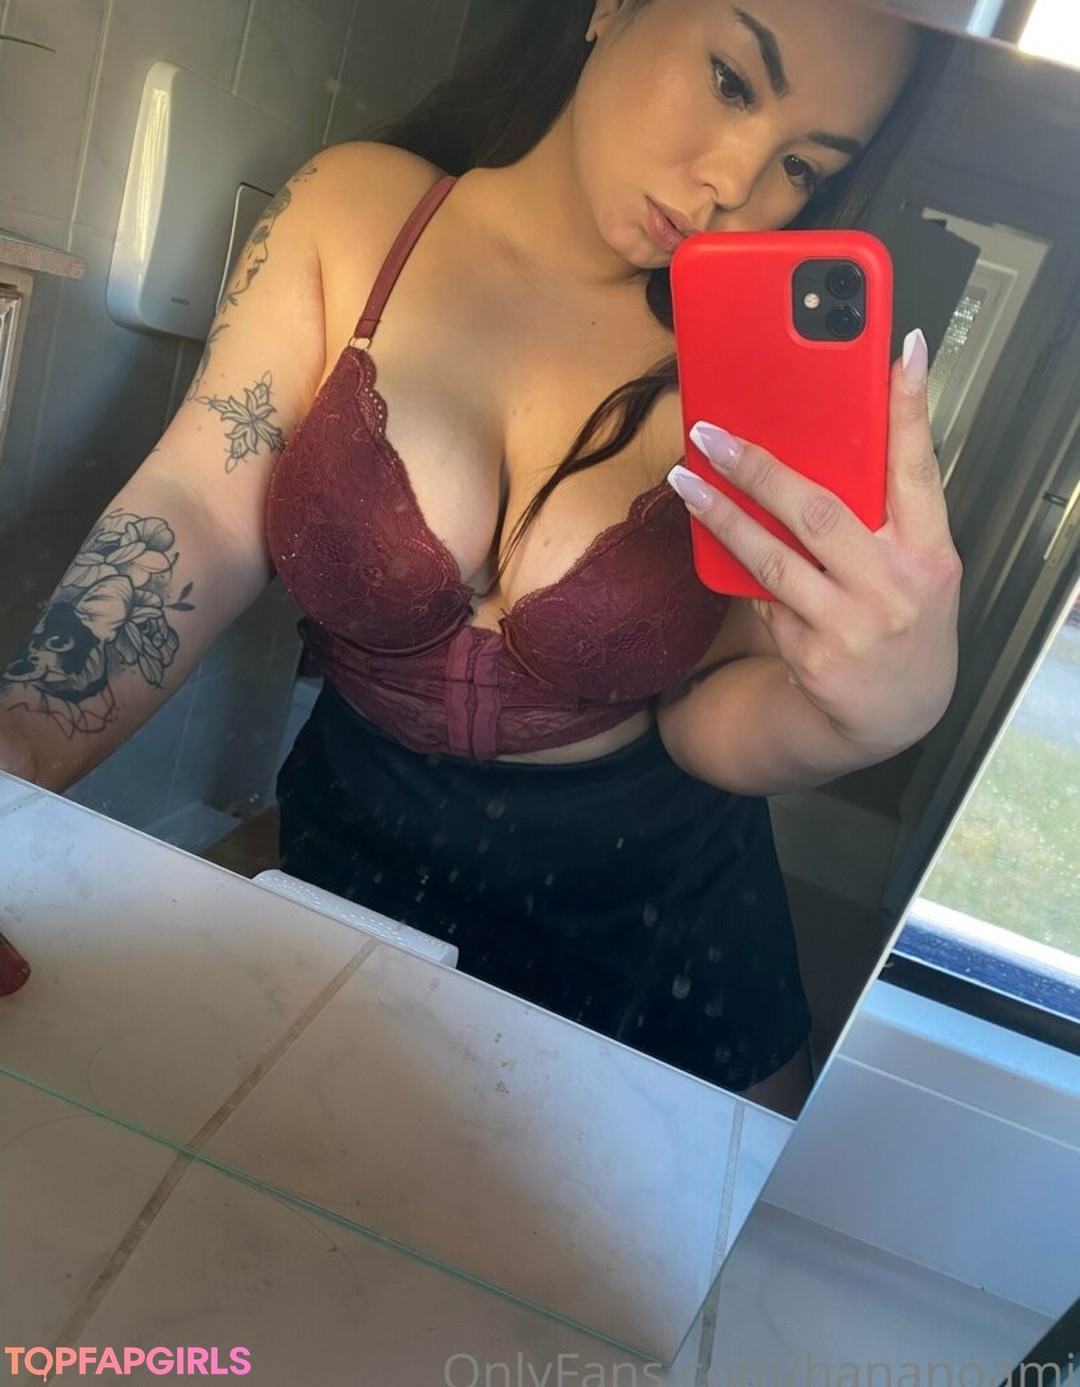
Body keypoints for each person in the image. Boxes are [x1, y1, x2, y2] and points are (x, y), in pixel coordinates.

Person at [0, 0, 961, 1117]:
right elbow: (199, 511)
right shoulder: (355, 216)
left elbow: (702, 715)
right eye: (732, 80)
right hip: (356, 862)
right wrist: (23, 740)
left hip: (660, 940)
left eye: (802, 165)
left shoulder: (746, 376)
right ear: (612, 5)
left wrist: (866, 719)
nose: (733, 183)